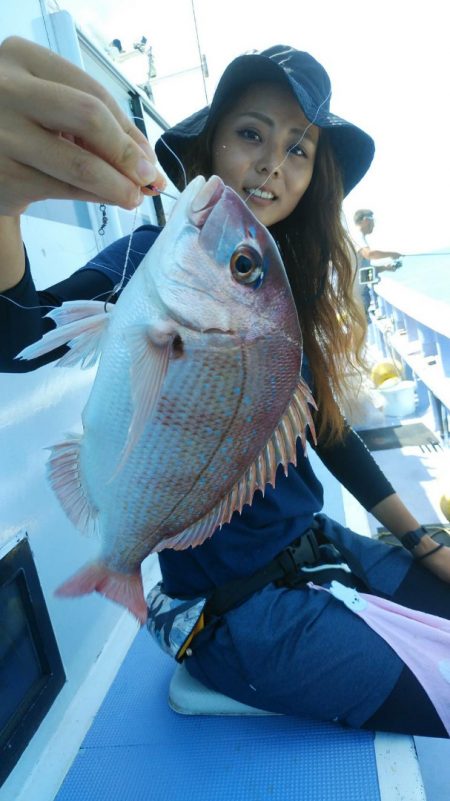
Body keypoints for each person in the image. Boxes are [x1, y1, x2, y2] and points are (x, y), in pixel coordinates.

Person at [1, 37, 450, 738]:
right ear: (209, 147)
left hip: (318, 548)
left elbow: (327, 431)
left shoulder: (281, 288)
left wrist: (423, 540)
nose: (273, 162)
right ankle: (211, 656)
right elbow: (17, 341)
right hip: (238, 615)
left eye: (298, 150)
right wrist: (5, 206)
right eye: (251, 134)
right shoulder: (155, 258)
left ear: (312, 179)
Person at [352, 208, 403, 319]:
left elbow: (362, 271)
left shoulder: (356, 236)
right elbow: (369, 254)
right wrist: (392, 254)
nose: (374, 225)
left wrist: (385, 268)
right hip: (356, 296)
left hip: (358, 294)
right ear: (365, 220)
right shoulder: (357, 236)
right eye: (373, 220)